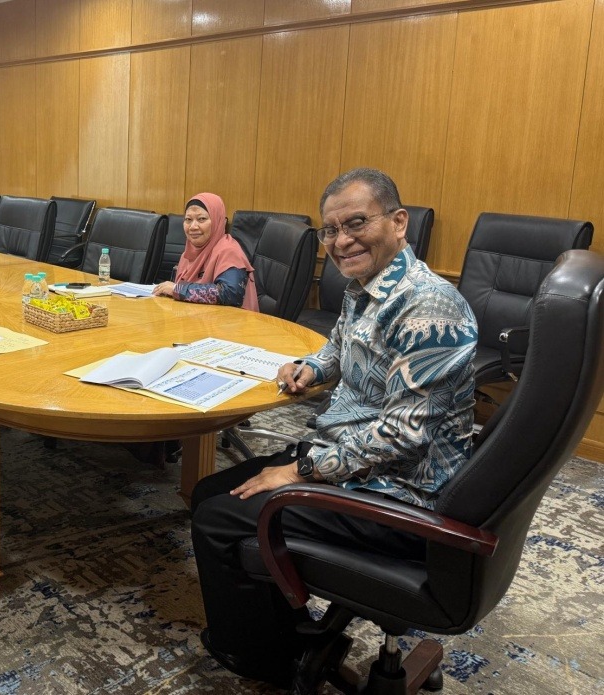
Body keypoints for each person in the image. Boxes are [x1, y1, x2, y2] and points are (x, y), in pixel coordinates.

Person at [190, 168, 478, 688]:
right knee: (210, 491)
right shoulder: (365, 286)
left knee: (216, 518)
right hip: (354, 460)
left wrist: (300, 470)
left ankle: (269, 662)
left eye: (356, 223)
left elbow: (401, 435)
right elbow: (340, 348)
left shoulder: (428, 307)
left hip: (398, 495)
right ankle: (293, 635)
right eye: (331, 230)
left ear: (398, 222)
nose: (341, 241)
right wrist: (311, 368)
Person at [153, 192, 259, 310]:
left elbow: (231, 294)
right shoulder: (188, 254)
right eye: (188, 219)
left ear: (217, 221)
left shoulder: (229, 251)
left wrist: (178, 289)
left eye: (201, 219)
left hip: (229, 320)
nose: (193, 226)